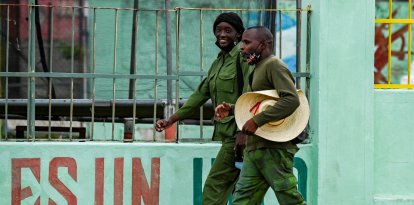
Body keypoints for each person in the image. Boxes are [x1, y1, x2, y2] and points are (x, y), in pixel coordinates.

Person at [154, 12, 251, 205]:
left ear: (239, 34)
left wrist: (243, 131)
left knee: (214, 186)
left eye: (228, 30)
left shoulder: (242, 58)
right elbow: (200, 95)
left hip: (239, 135)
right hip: (228, 134)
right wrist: (171, 120)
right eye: (218, 30)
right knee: (243, 190)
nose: (222, 34)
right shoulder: (218, 62)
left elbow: (250, 95)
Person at [216, 26, 306, 204]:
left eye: (247, 42)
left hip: (274, 149)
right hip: (256, 147)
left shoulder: (274, 65)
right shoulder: (257, 67)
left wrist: (257, 121)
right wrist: (233, 109)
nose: (242, 47)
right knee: (243, 199)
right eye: (242, 42)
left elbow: (291, 100)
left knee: (289, 198)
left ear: (263, 44)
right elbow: (260, 103)